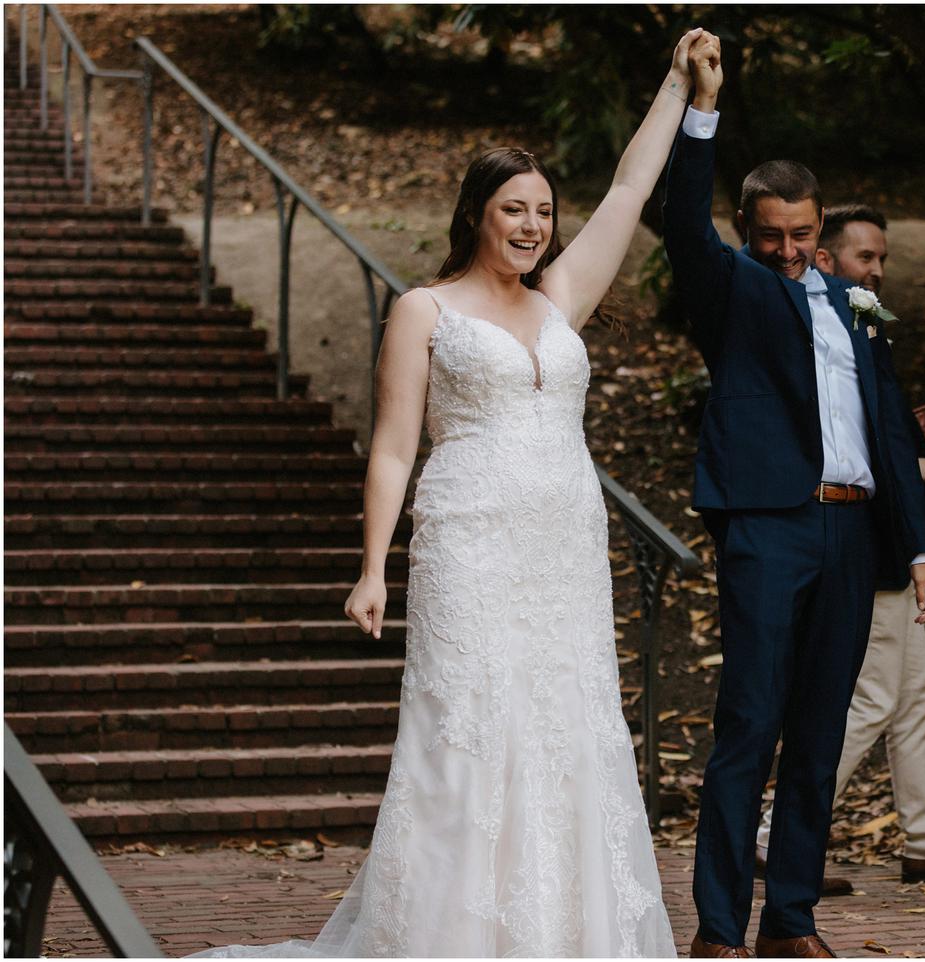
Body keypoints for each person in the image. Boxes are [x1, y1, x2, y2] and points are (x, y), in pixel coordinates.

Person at [191, 28, 716, 959]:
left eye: (544, 212)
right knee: (467, 731)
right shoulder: (424, 312)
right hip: (467, 549)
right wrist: (372, 569)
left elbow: (633, 190)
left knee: (567, 730)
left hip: (563, 552)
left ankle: (564, 935)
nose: (532, 226)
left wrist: (680, 87)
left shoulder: (562, 301)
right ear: (477, 213)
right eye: (513, 209)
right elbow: (393, 447)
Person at [665, 45, 925, 960]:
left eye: (802, 234)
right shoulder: (736, 290)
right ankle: (718, 928)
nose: (789, 249)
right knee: (748, 723)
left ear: (821, 228)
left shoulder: (857, 302)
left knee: (820, 735)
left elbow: (892, 436)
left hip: (854, 532)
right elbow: (681, 224)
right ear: (750, 228)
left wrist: (920, 548)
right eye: (772, 233)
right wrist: (701, 111)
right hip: (770, 527)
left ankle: (791, 920)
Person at [753, 205, 925, 889]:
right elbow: (835, 439)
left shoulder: (863, 324)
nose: (878, 270)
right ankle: (776, 837)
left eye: (882, 259)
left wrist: (921, 474)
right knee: (870, 697)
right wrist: (918, 471)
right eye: (865, 257)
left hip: (890, 539)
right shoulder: (813, 330)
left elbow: (887, 428)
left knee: (916, 696)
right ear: (825, 260)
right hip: (858, 545)